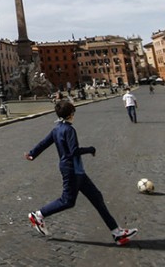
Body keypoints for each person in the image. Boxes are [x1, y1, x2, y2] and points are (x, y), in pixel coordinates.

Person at [24, 100, 138, 246]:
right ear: (70, 114)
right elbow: (74, 151)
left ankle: (117, 233)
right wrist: (90, 149)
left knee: (97, 197)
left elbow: (44, 143)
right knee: (67, 201)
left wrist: (32, 154)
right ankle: (38, 215)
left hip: (76, 171)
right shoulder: (69, 130)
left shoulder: (57, 129)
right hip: (72, 170)